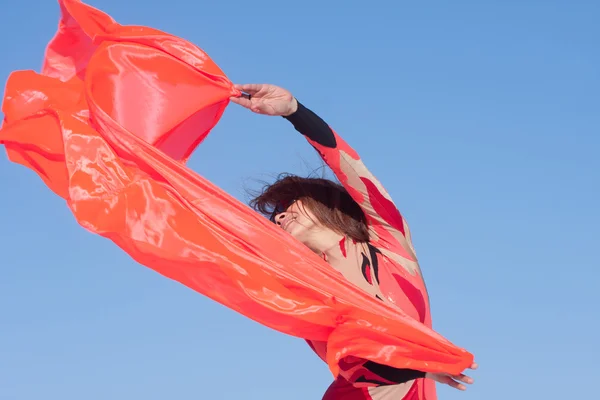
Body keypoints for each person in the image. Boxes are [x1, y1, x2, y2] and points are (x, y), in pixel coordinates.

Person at [230, 84, 476, 400]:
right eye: (274, 215)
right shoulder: (304, 290)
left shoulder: (389, 242)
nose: (279, 217)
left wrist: (295, 112)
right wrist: (419, 366)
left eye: (286, 205)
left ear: (324, 203)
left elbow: (348, 165)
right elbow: (350, 363)